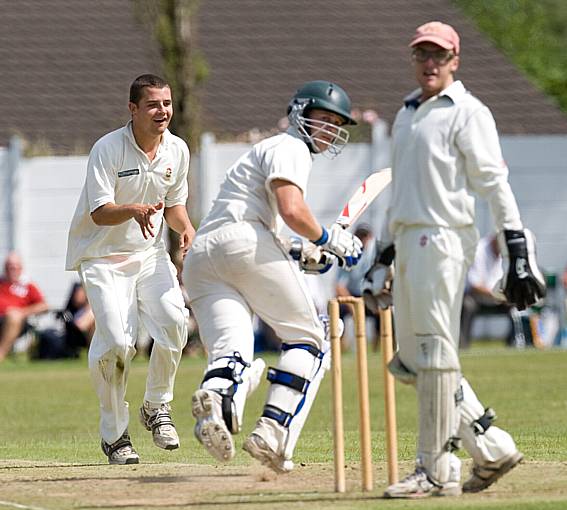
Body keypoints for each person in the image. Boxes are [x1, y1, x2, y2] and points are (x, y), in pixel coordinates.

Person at [362, 22, 546, 498]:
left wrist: (516, 250)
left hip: (443, 240)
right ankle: (491, 446)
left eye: (439, 56)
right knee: (411, 359)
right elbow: (399, 189)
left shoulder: (468, 112)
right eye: (422, 54)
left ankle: (434, 469)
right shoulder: (407, 113)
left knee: (435, 353)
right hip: (407, 242)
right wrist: (382, 252)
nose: (430, 63)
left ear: (455, 61)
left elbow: (493, 184)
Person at [185, 80, 362, 472]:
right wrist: (331, 239)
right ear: (300, 114)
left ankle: (216, 396)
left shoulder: (262, 151)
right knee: (310, 339)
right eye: (323, 119)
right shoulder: (291, 146)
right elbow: (291, 207)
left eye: (336, 123)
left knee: (233, 349)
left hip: (203, 256)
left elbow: (273, 227)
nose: (330, 129)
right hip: (243, 241)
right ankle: (272, 434)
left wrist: (304, 251)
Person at [66, 74, 195, 465]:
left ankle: (156, 406)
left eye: (167, 103)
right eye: (154, 104)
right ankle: (115, 434)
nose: (163, 111)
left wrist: (186, 228)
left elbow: (174, 207)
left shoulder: (177, 150)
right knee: (119, 344)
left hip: (150, 254)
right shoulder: (107, 148)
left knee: (175, 321)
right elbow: (100, 212)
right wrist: (134, 210)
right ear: (133, 109)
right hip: (103, 258)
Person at [460, 233, 517, 348]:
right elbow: (474, 284)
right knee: (467, 305)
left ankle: (514, 344)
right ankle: (463, 345)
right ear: (494, 241)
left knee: (516, 305)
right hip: (476, 297)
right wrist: (497, 295)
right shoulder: (478, 250)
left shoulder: (505, 252)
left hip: (498, 297)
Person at [335, 224, 380, 349]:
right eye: (360, 236)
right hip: (352, 295)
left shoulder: (377, 254)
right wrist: (352, 306)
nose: (362, 239)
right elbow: (339, 287)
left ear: (370, 237)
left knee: (385, 309)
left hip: (371, 294)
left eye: (365, 236)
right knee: (337, 310)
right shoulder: (346, 254)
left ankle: (380, 347)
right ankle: (339, 346)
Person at [0, 252, 49, 361]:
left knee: (13, 316)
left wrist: (21, 312)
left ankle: (1, 355)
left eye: (15, 267)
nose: (12, 270)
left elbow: (44, 306)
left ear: (21, 269)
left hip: (16, 322)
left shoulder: (27, 286)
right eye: (9, 267)